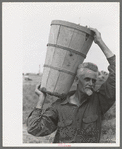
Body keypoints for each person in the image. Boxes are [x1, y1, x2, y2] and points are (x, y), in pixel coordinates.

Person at [27, 28, 115, 143]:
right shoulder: (59, 106)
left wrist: (99, 41)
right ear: (77, 80)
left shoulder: (100, 101)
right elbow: (34, 129)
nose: (91, 84)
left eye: (94, 80)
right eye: (87, 79)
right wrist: (41, 100)